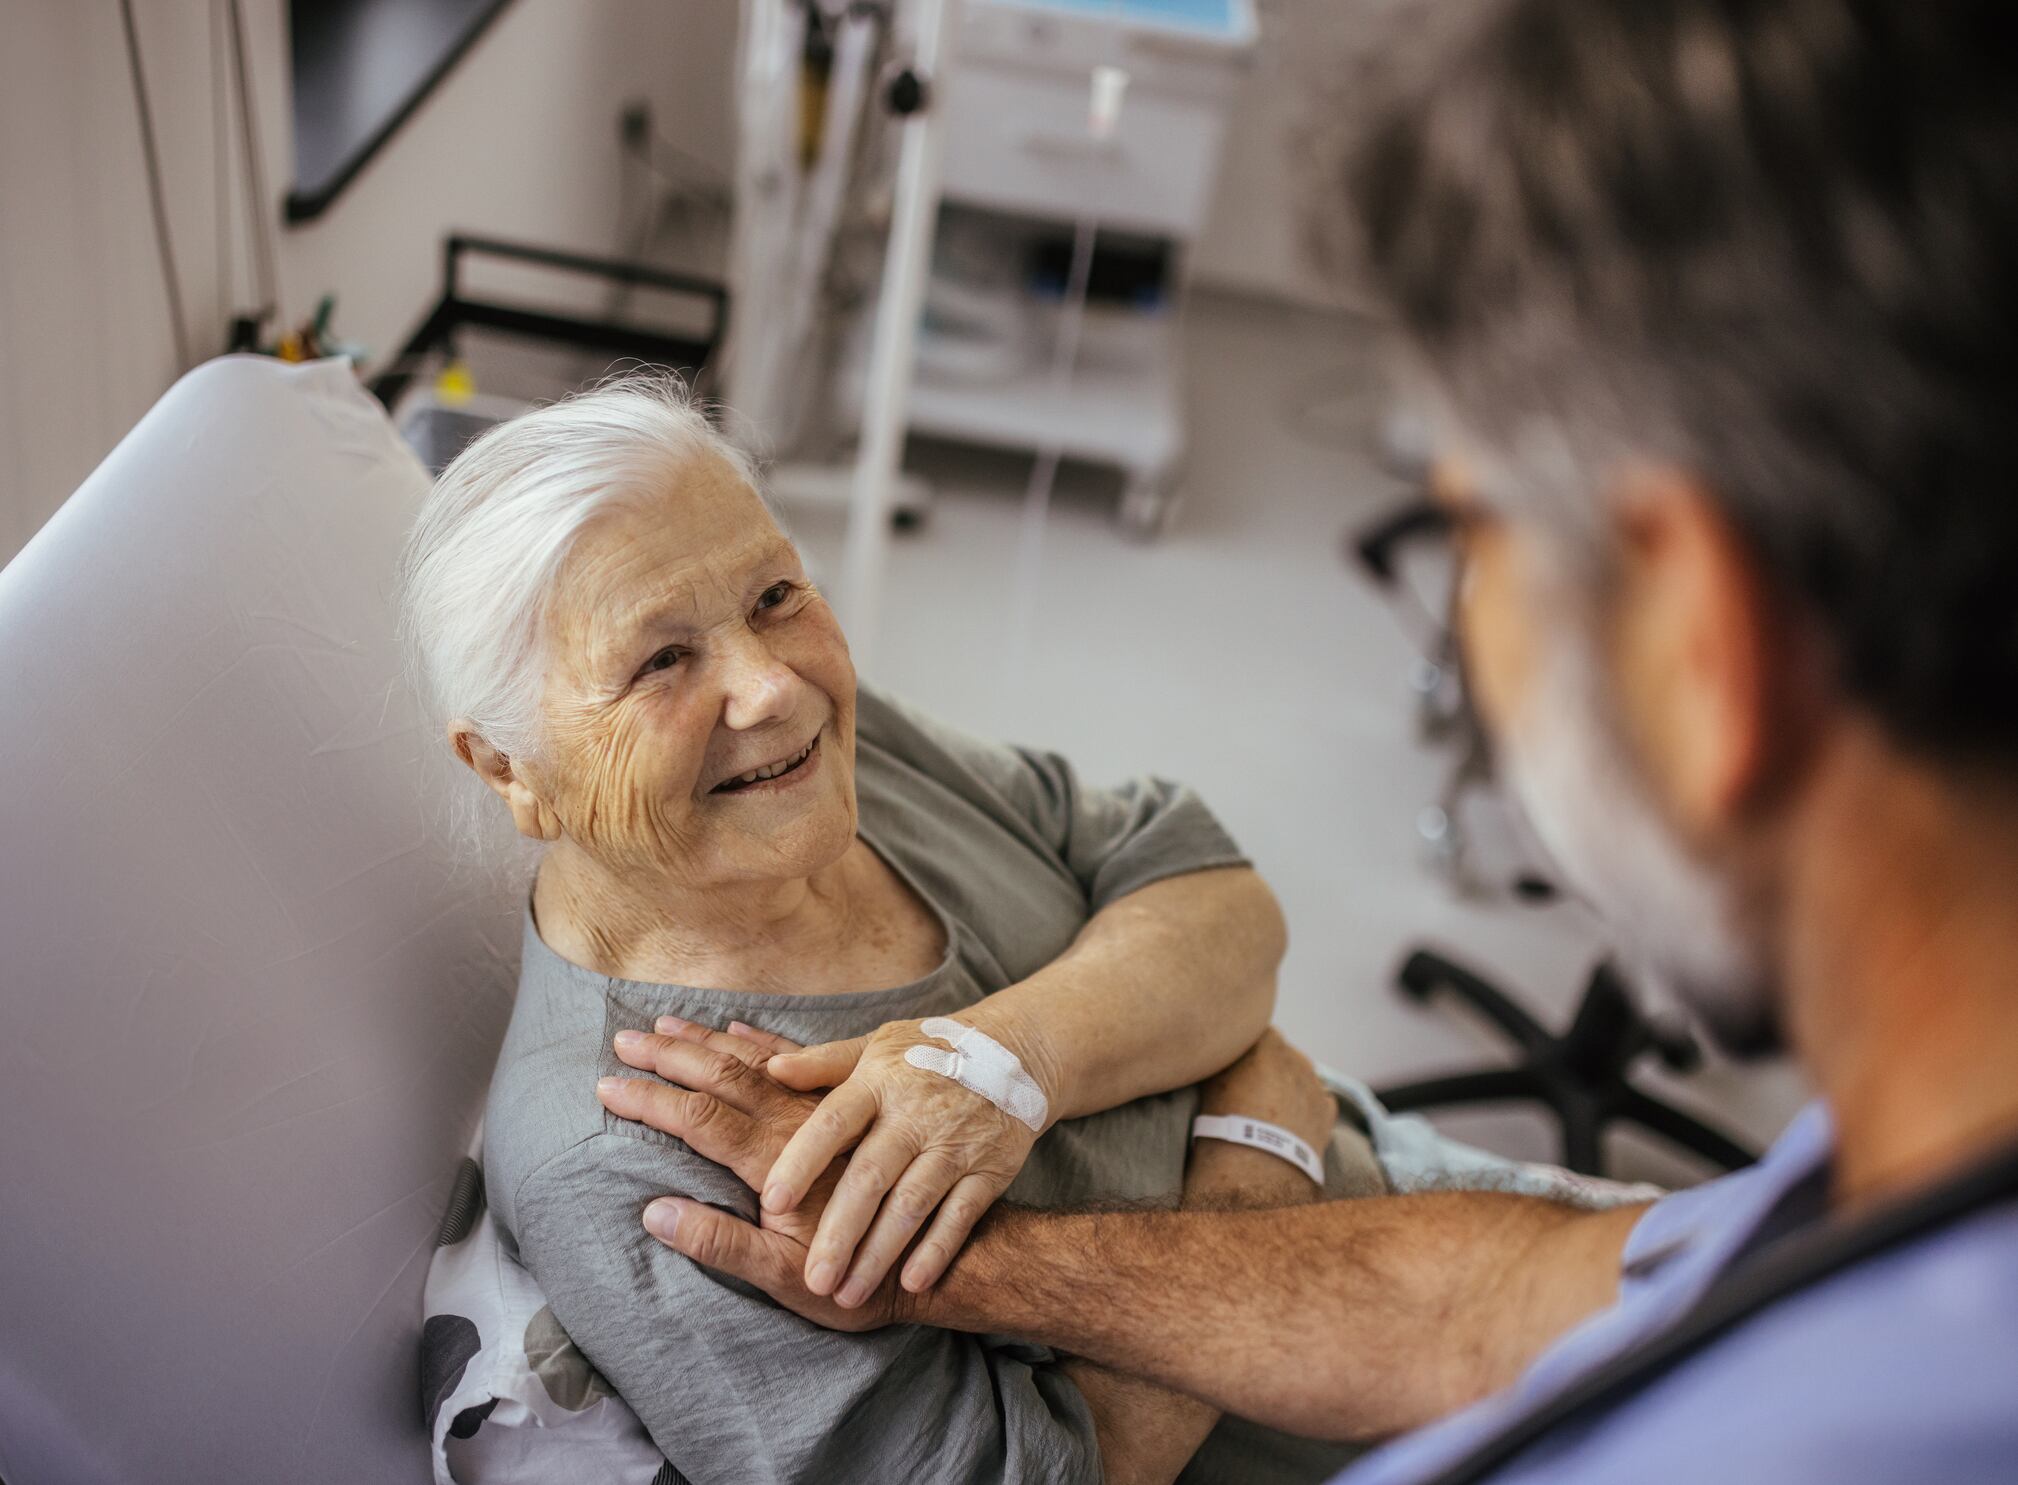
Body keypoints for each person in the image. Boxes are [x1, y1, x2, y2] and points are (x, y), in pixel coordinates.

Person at [620, 0, 2018, 1479]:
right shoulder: (1905, 1169)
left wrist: (1209, 1140)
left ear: (1703, 645)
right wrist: (967, 1261)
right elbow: (1495, 1304)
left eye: (1470, 530)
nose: (767, 690)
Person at [396, 377, 1395, 1484]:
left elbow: (1211, 889)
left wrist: (1009, 1061)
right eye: (660, 661)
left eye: (776, 592)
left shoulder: (814, 761)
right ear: (505, 769)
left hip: (1413, 1210)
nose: (773, 687)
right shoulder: (630, 1163)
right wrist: (1259, 1150)